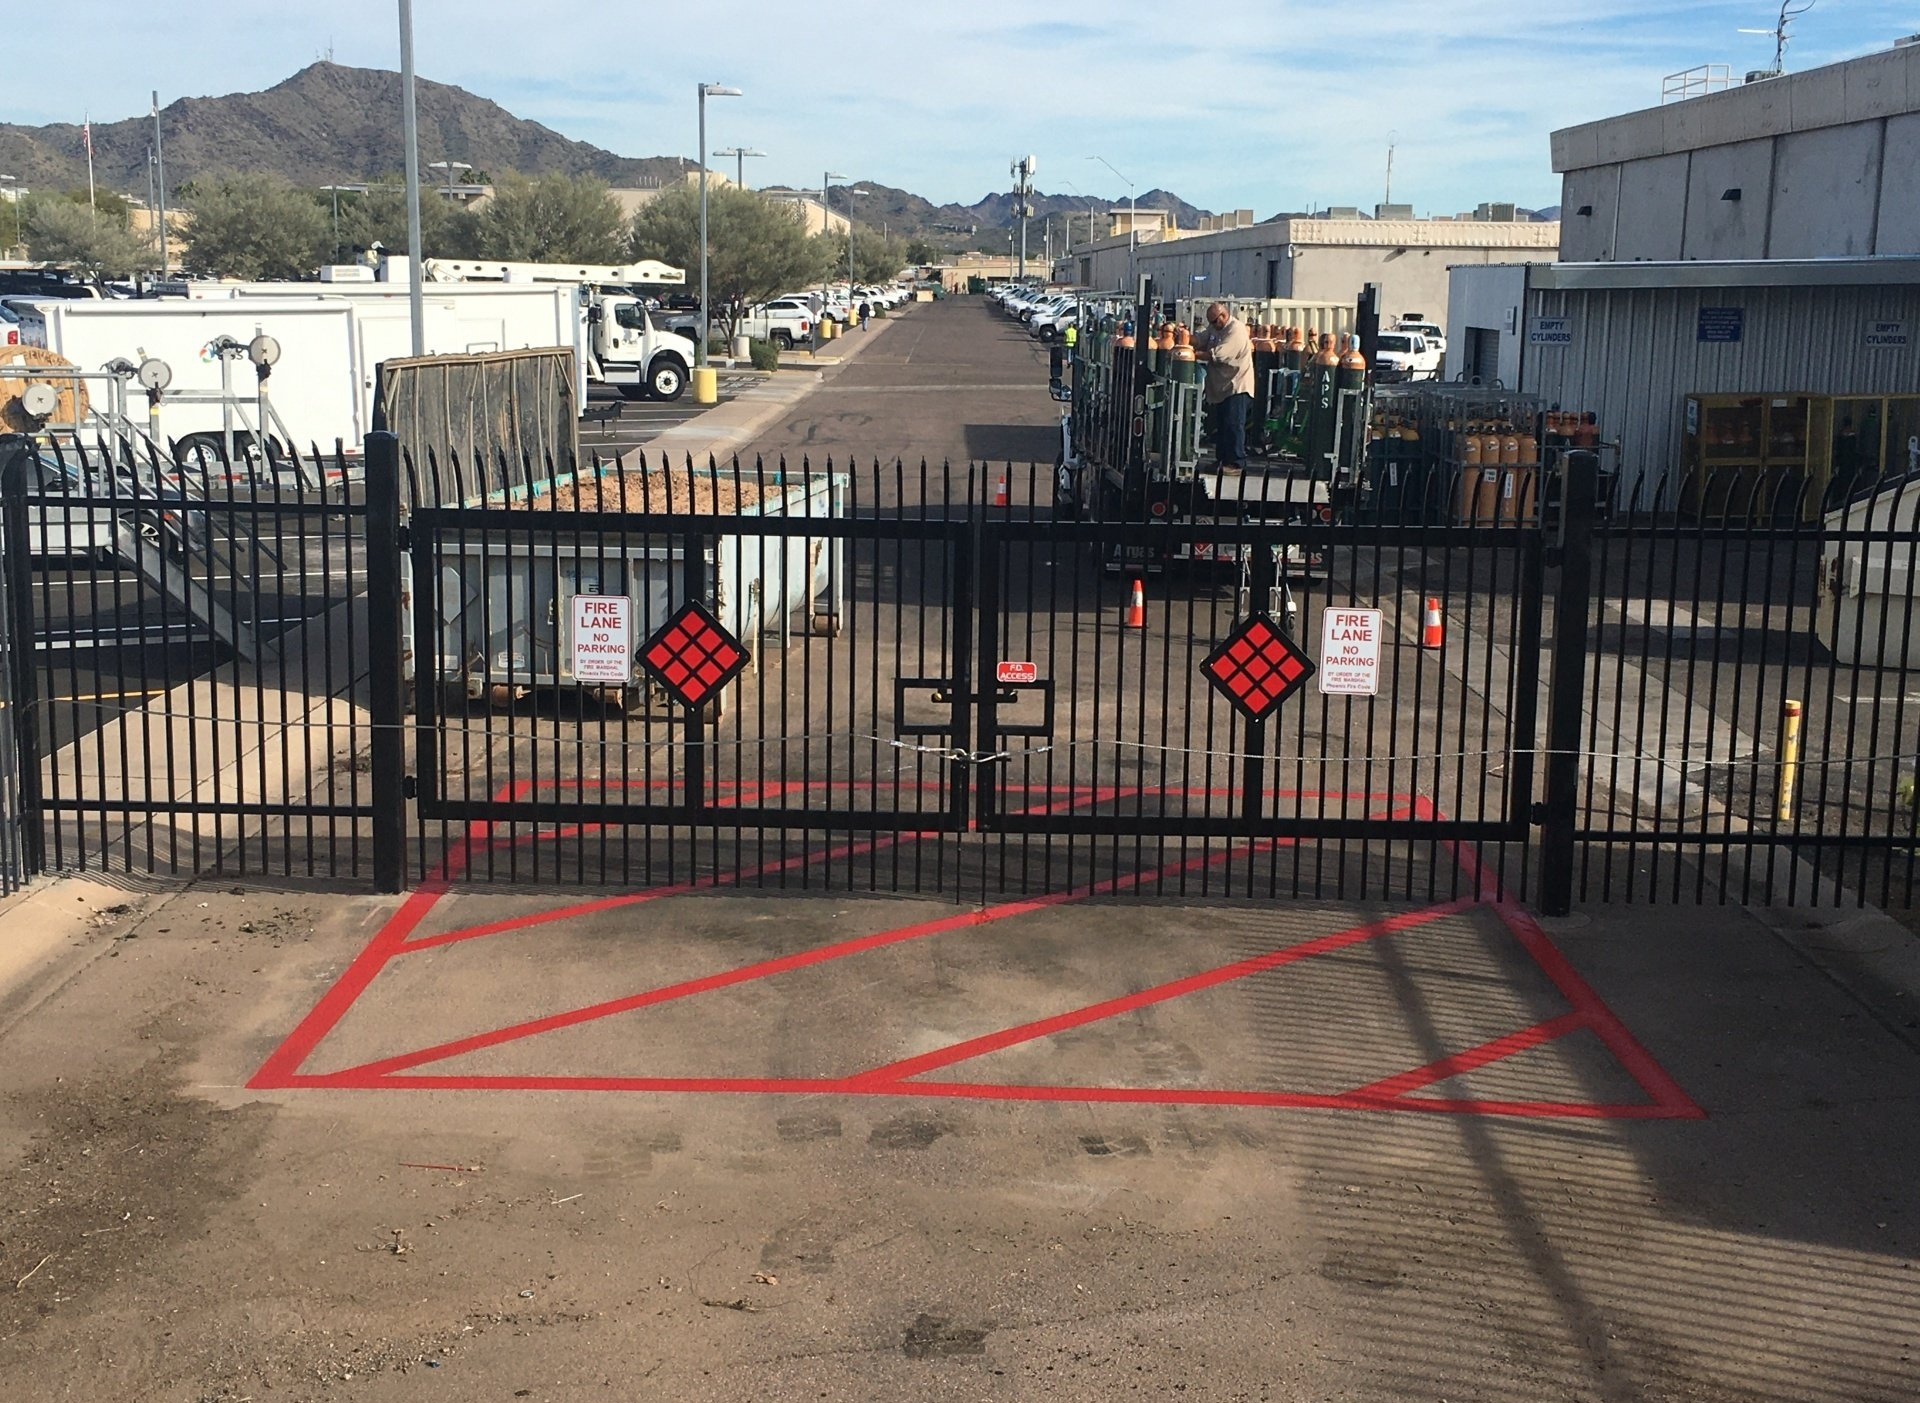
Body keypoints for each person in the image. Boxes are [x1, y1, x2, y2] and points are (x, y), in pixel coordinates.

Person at [1196, 302, 1254, 469]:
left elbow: (1221, 355)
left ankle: (1237, 462)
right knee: (1222, 425)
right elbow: (1203, 339)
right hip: (1222, 388)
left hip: (1237, 385)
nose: (1212, 325)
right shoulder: (1215, 328)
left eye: (1214, 321)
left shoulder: (1236, 330)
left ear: (1223, 315)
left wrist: (1194, 355)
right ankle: (1222, 460)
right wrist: (1189, 339)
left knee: (1233, 424)